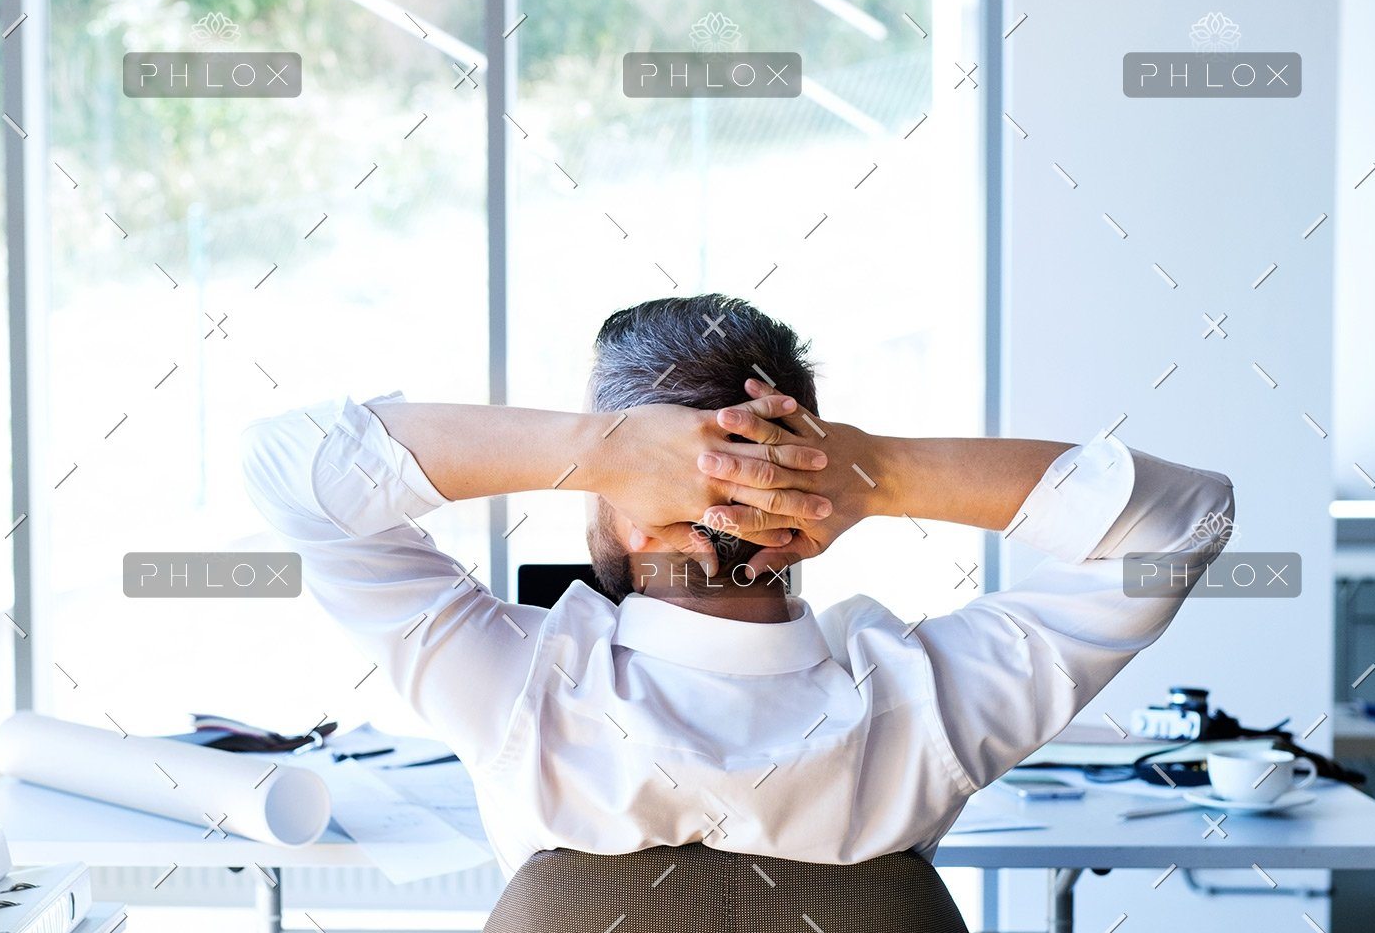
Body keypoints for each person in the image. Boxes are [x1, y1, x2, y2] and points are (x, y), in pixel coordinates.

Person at [242, 293, 1235, 878]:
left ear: (624, 501)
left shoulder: (512, 691)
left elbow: (286, 468)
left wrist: (596, 450)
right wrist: (876, 471)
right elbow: (1189, 518)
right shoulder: (935, 704)